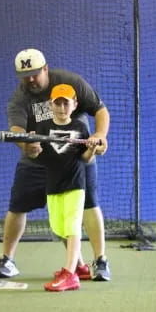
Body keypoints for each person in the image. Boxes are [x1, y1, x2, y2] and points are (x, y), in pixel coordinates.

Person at [0, 48, 111, 281]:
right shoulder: (20, 97)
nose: (31, 79)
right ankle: (7, 260)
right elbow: (16, 129)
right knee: (18, 204)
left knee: (89, 204)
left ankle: (100, 261)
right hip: (40, 157)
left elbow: (100, 110)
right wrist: (26, 145)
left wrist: (100, 135)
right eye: (25, 75)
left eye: (35, 74)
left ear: (45, 69)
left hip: (75, 155)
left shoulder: (70, 82)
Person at [28, 84, 99, 291]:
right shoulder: (42, 128)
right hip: (53, 185)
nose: (61, 107)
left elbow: (84, 158)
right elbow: (35, 156)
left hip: (75, 185)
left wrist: (92, 149)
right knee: (59, 229)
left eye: (65, 103)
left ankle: (70, 275)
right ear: (51, 105)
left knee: (72, 226)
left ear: (74, 104)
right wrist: (32, 149)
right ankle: (81, 268)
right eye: (57, 103)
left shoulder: (80, 127)